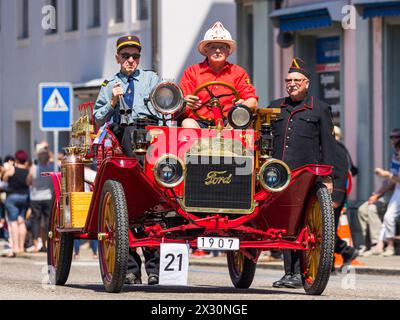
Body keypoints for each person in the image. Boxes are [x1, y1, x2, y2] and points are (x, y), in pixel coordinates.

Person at [94, 35, 160, 285]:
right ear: (117, 58)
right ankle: (132, 270)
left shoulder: (151, 79)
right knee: (129, 208)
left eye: (135, 56)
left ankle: (154, 270)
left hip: (152, 133)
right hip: (125, 133)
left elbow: (168, 101)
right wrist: (112, 101)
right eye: (126, 56)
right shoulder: (109, 84)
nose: (131, 60)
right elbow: (99, 118)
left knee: (154, 207)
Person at [269, 57, 336, 289]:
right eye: (288, 80)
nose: (292, 83)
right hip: (277, 177)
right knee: (285, 226)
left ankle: (302, 273)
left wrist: (327, 178)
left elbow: (328, 145)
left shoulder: (320, 109)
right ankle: (290, 273)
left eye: (297, 80)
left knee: (301, 227)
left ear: (307, 83)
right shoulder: (275, 106)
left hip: (307, 178)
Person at [179, 21, 258, 128]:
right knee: (187, 123)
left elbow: (252, 100)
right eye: (213, 47)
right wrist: (185, 102)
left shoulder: (238, 72)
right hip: (198, 121)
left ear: (228, 51)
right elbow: (180, 104)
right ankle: (197, 145)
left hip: (229, 121)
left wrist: (241, 106)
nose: (217, 51)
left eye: (222, 47)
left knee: (238, 123)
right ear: (205, 51)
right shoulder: (192, 72)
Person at [357, 128, 400, 254]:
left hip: (393, 192)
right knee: (362, 210)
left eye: (396, 137)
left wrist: (385, 176)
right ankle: (369, 244)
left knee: (375, 210)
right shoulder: (395, 156)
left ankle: (380, 244)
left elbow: (392, 180)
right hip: (392, 191)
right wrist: (377, 193)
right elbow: (391, 181)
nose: (393, 140)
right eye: (391, 137)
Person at [331, 126, 358, 270]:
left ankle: (347, 251)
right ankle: (330, 262)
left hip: (335, 194)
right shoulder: (337, 147)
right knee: (325, 232)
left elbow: (341, 173)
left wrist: (336, 196)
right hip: (332, 194)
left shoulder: (336, 148)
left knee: (326, 232)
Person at [26, 143, 54, 253]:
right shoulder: (52, 167)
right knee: (47, 222)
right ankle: (46, 244)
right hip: (47, 196)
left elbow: (28, 182)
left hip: (35, 197)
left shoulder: (34, 168)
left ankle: (37, 244)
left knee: (36, 221)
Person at [2, 151, 30, 257]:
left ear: (16, 159)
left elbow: (4, 178)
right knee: (21, 221)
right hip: (24, 197)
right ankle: (22, 247)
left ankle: (15, 247)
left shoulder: (12, 169)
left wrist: (8, 169)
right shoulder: (27, 171)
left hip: (12, 197)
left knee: (13, 222)